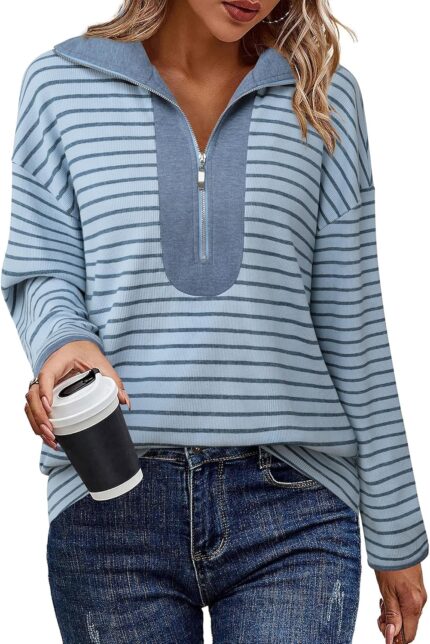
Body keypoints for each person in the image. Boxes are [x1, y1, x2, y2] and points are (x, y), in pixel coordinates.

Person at [1, 0, 428, 642]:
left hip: (295, 503)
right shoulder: (60, 86)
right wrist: (64, 341)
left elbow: (356, 322)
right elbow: (43, 268)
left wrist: (397, 532)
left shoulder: (322, 97)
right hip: (110, 499)